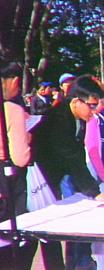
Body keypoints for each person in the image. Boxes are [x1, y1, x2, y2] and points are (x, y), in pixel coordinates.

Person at [33, 74, 104, 270]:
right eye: (91, 105)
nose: (94, 110)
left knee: (55, 231)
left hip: (56, 177)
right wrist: (95, 192)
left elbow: (78, 154)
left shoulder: (76, 117)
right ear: (76, 101)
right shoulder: (58, 118)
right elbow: (71, 156)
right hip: (39, 181)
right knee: (41, 234)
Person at [0, 61, 37, 270]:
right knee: (19, 240)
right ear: (14, 80)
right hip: (7, 183)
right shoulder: (12, 110)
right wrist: (28, 136)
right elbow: (20, 157)